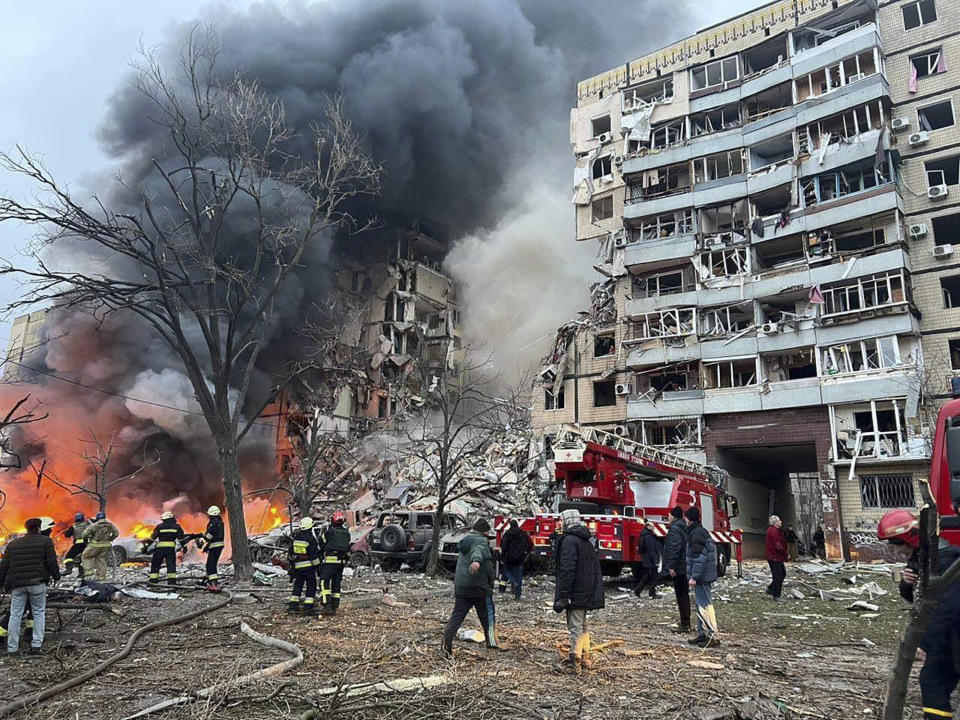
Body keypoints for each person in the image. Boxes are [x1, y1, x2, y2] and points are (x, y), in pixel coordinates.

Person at [879, 509, 960, 719]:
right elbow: (916, 598)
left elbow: (947, 608)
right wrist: (907, 584)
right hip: (947, 635)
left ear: (908, 538)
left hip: (952, 633)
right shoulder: (921, 559)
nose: (894, 551)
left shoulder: (942, 561)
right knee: (933, 681)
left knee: (934, 681)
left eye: (896, 545)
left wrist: (925, 643)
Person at [0, 517, 61, 655]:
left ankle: (12, 648)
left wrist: (1, 583)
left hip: (17, 584)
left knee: (15, 615)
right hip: (37, 583)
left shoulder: (13, 544)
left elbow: (4, 566)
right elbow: (51, 561)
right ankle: (36, 646)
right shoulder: (46, 541)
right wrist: (57, 576)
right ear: (39, 528)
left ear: (26, 529)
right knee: (39, 613)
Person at [553, 509, 604, 672]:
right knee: (582, 624)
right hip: (587, 589)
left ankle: (574, 662)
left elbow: (567, 570)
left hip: (575, 590)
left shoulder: (569, 541)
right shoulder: (586, 540)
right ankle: (586, 657)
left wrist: (563, 595)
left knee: (575, 625)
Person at [442, 519, 498, 656]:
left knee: (457, 616)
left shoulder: (465, 540)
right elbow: (477, 552)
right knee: (488, 616)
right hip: (480, 587)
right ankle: (492, 642)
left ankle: (446, 643)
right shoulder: (481, 541)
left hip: (462, 587)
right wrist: (476, 562)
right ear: (484, 532)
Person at [685, 506, 719, 648]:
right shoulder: (701, 531)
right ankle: (701, 634)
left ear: (688, 518)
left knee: (705, 605)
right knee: (700, 604)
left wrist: (694, 576)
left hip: (701, 577)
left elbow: (699, 558)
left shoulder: (696, 534)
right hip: (704, 575)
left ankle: (712, 635)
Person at [663, 506, 691, 633]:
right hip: (684, 566)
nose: (668, 517)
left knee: (681, 595)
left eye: (669, 515)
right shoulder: (684, 527)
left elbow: (675, 548)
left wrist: (671, 566)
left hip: (678, 568)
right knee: (684, 594)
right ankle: (686, 622)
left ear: (673, 516)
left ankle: (685, 624)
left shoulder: (674, 529)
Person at [318, 511, 351, 616]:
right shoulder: (347, 533)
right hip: (341, 563)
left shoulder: (330, 532)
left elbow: (321, 542)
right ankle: (335, 607)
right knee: (336, 584)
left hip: (330, 562)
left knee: (324, 581)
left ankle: (326, 605)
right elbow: (349, 548)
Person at [288, 517, 321, 614]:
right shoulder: (311, 539)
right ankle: (308, 607)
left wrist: (293, 566)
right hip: (309, 568)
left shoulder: (296, 538)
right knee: (311, 586)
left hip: (298, 568)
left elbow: (290, 553)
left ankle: (293, 606)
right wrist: (318, 569)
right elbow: (314, 557)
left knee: (298, 586)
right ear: (310, 527)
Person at [500, 519, 534, 600]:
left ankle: (512, 581)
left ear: (510, 525)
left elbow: (503, 546)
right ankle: (518, 596)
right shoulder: (523, 534)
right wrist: (526, 552)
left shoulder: (507, 534)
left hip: (509, 558)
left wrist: (503, 556)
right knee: (519, 577)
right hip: (520, 558)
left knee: (506, 571)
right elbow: (531, 544)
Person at [148, 511, 185, 585]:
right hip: (170, 549)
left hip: (159, 549)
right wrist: (184, 546)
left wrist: (146, 546)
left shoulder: (159, 526)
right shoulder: (177, 527)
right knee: (171, 565)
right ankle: (172, 582)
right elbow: (181, 539)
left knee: (155, 565)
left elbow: (153, 537)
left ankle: (153, 581)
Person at [81, 512, 119, 581]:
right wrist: (110, 539)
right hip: (106, 545)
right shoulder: (110, 525)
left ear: (98, 518)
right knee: (101, 559)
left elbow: (85, 534)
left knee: (85, 555)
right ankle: (101, 577)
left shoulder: (94, 525)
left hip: (95, 545)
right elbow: (116, 533)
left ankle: (89, 571)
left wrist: (86, 540)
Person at [634, 518, 661, 599]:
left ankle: (639, 591)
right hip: (650, 560)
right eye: (652, 526)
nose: (654, 528)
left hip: (646, 559)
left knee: (647, 576)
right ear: (648, 527)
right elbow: (651, 549)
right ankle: (650, 593)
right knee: (653, 577)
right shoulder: (648, 536)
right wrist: (656, 561)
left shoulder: (644, 535)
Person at [200, 506, 225, 589]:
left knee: (211, 564)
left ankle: (213, 583)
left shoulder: (214, 522)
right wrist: (207, 547)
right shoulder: (219, 522)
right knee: (211, 563)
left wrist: (203, 540)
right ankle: (206, 580)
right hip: (218, 545)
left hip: (215, 545)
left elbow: (212, 533)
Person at [765, 515, 788, 600]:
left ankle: (771, 589)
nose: (781, 522)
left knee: (782, 573)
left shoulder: (775, 530)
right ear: (775, 523)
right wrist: (785, 554)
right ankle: (776, 595)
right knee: (778, 575)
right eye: (779, 520)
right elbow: (778, 545)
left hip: (776, 556)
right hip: (774, 557)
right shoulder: (773, 531)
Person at [63, 512, 89, 578]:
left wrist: (66, 531)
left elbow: (67, 535)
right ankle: (82, 573)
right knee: (82, 559)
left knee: (68, 557)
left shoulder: (73, 527)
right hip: (87, 545)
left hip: (77, 545)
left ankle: (68, 569)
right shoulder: (88, 525)